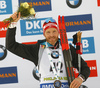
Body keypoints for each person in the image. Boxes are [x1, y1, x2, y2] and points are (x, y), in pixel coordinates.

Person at [6, 12, 90, 88]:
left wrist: (80, 78)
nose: (52, 35)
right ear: (44, 34)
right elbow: (11, 46)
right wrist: (13, 24)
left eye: (54, 31)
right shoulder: (37, 49)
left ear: (58, 32)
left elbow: (85, 68)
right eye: (48, 32)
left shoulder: (67, 48)